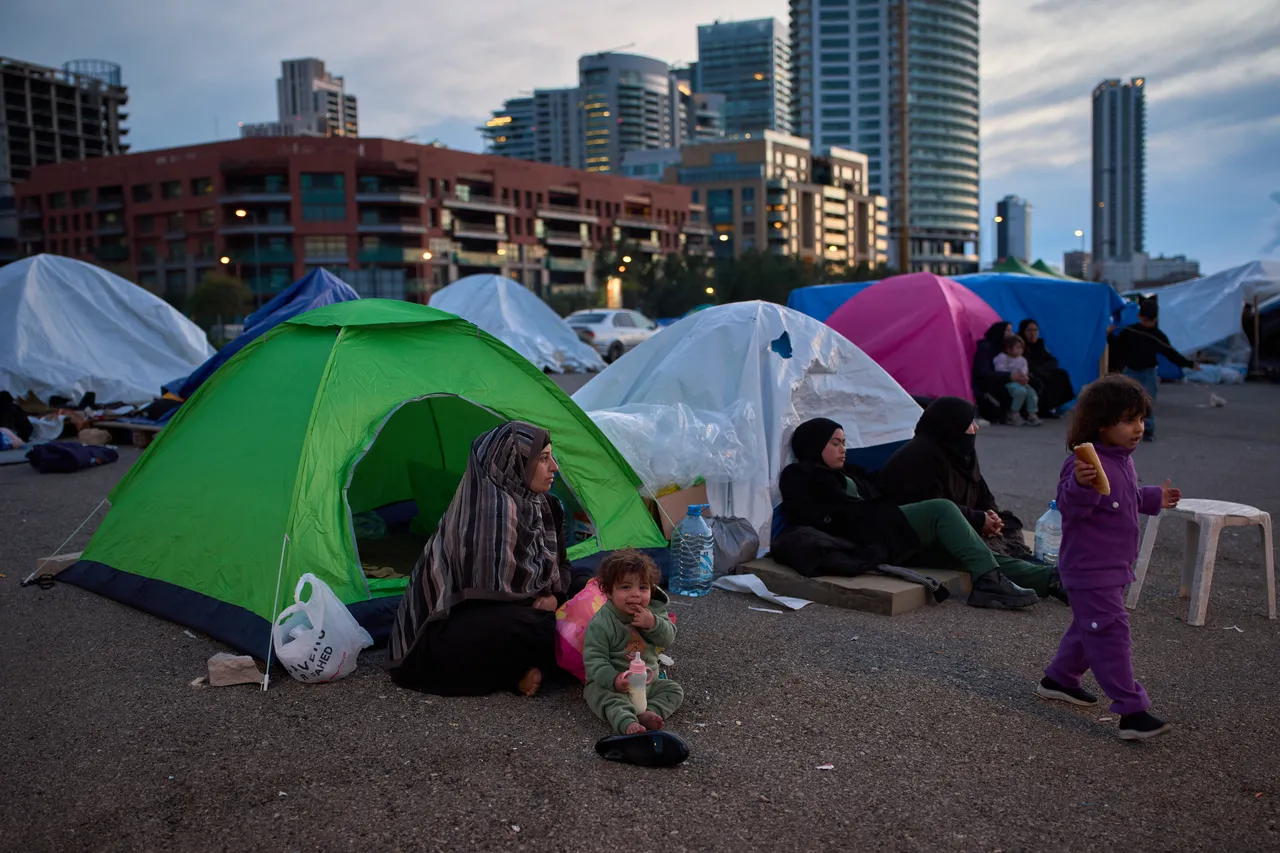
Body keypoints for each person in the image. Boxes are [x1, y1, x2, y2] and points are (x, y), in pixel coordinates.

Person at [1037, 375, 1180, 740]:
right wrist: (1080, 486)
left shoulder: (1121, 460)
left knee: (1090, 629)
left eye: (1141, 419)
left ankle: (1059, 679)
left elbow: (1126, 495)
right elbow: (1070, 507)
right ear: (1102, 423)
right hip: (1089, 569)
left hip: (1114, 567)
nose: (1138, 428)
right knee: (1111, 633)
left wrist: (1153, 498)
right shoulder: (1085, 464)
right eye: (1128, 420)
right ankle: (1132, 711)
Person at [772, 417, 1040, 610]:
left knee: (965, 553)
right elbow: (808, 515)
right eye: (835, 443)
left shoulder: (851, 473)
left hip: (887, 533)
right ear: (814, 445)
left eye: (844, 442)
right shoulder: (799, 474)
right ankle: (992, 584)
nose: (843, 448)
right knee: (941, 508)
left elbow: (882, 492)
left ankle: (1049, 578)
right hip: (867, 537)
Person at [388, 421, 573, 697]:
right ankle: (521, 672)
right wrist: (547, 607)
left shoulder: (547, 507)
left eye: (551, 457)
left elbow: (563, 566)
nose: (554, 467)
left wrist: (555, 599)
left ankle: (535, 666)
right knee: (543, 627)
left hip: (521, 608)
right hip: (450, 628)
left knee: (596, 587)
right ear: (514, 464)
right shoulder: (486, 514)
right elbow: (484, 601)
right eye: (543, 459)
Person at [876, 397, 1063, 600]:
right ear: (951, 427)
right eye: (968, 424)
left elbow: (982, 494)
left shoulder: (960, 453)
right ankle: (1051, 578)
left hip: (956, 527)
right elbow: (936, 510)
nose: (975, 428)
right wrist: (979, 519)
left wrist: (991, 516)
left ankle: (1048, 577)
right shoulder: (919, 457)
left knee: (1007, 524)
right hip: (912, 542)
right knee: (970, 551)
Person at [583, 550, 683, 735]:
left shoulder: (653, 611)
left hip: (648, 682)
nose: (635, 594)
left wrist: (653, 624)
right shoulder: (602, 622)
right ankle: (627, 723)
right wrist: (613, 678)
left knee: (673, 690)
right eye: (626, 587)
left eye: (643, 588)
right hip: (614, 685)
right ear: (608, 591)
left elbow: (668, 638)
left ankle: (650, 711)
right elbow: (594, 659)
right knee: (607, 700)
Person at [1108, 301, 1196, 441]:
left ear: (1155, 319)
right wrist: (1110, 335)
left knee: (1147, 402)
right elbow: (1117, 346)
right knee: (1125, 400)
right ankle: (1123, 429)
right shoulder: (1129, 331)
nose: (1146, 324)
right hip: (1130, 371)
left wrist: (1189, 364)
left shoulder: (1157, 335)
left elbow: (1170, 353)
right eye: (1144, 320)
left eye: (1149, 321)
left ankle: (1147, 429)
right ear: (1139, 316)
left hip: (1148, 371)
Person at [1017, 319, 1076, 417]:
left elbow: (1052, 361)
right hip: (1028, 374)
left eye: (1035, 330)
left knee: (1061, 374)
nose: (1033, 333)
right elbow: (1025, 364)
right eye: (1029, 330)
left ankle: (1049, 408)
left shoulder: (1039, 345)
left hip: (1042, 372)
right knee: (1040, 380)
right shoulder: (1019, 345)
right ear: (1023, 331)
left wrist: (1043, 370)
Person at [972, 321, 1022, 424]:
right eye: (1007, 330)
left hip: (1004, 380)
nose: (1011, 334)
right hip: (988, 386)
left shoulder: (1004, 348)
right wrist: (1009, 376)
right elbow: (984, 372)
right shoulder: (986, 348)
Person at [993, 335, 1042, 426]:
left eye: (1021, 348)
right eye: (1018, 347)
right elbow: (1000, 370)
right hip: (1010, 382)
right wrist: (1012, 375)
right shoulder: (1002, 358)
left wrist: (1024, 377)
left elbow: (1024, 370)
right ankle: (1014, 413)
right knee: (1020, 392)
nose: (1020, 350)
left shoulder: (1022, 360)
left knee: (1032, 393)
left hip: (1021, 382)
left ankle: (1032, 414)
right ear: (1008, 349)